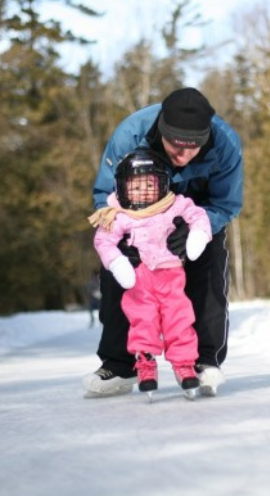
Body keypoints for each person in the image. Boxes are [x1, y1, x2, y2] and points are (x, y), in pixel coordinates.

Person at [84, 87, 243, 397]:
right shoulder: (130, 135)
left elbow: (226, 204)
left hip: (196, 215)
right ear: (162, 132)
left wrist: (199, 227)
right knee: (120, 272)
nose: (182, 157)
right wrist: (120, 235)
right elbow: (104, 194)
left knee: (208, 265)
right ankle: (120, 365)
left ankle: (205, 361)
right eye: (175, 147)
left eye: (193, 149)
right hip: (137, 213)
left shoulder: (226, 145)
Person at [89, 149, 212, 396]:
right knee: (142, 320)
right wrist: (117, 263)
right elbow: (103, 240)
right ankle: (144, 362)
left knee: (179, 319)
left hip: (171, 277)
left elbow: (197, 215)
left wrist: (197, 235)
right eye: (135, 187)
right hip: (139, 280)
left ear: (161, 184)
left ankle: (184, 364)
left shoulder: (173, 204)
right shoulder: (119, 215)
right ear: (123, 188)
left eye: (149, 185)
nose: (142, 192)